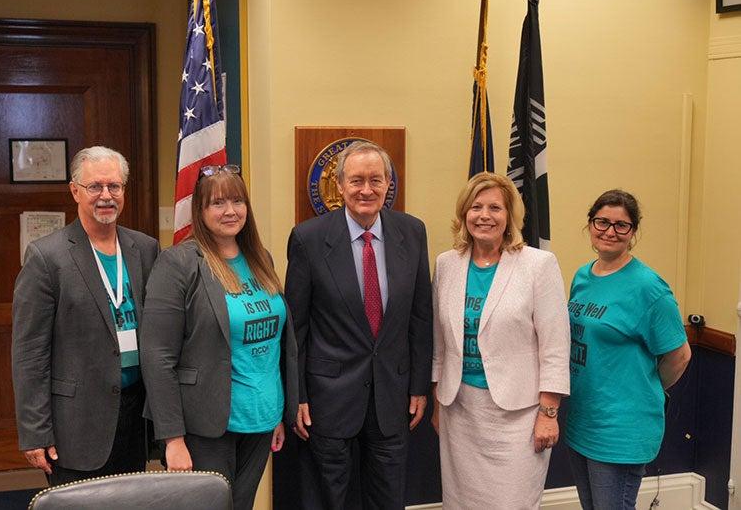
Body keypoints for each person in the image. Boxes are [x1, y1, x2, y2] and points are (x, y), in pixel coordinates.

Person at [140, 164, 298, 510]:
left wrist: (276, 415)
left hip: (260, 419)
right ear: (200, 210)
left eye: (238, 201)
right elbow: (157, 356)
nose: (230, 211)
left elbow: (276, 345)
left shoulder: (261, 259)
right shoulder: (178, 264)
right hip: (206, 426)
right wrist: (173, 438)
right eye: (218, 203)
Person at [285, 140, 433, 510]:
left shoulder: (412, 232)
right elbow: (296, 327)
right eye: (356, 181)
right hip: (327, 397)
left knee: (388, 496)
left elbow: (420, 316)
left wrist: (418, 386)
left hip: (392, 395)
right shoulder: (308, 238)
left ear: (388, 185)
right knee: (329, 498)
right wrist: (297, 394)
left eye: (375, 180)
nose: (366, 190)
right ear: (340, 186)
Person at [12, 146, 160, 485]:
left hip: (135, 412)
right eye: (95, 186)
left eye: (115, 186)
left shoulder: (146, 249)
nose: (106, 196)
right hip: (75, 422)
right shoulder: (47, 257)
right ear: (75, 190)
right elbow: (29, 354)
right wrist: (35, 431)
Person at [430, 172, 570, 509]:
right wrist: (437, 402)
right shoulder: (447, 264)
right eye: (476, 207)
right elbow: (440, 342)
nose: (485, 215)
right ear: (465, 214)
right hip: (459, 409)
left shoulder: (538, 265)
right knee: (461, 502)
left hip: (518, 416)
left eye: (495, 207)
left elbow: (555, 345)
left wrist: (549, 413)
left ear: (510, 217)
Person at [566, 189, 691, 509]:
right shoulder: (582, 276)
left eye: (621, 225)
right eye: (602, 222)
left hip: (621, 430)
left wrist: (643, 390)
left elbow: (679, 356)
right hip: (582, 420)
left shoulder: (648, 287)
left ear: (633, 232)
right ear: (590, 225)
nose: (610, 231)